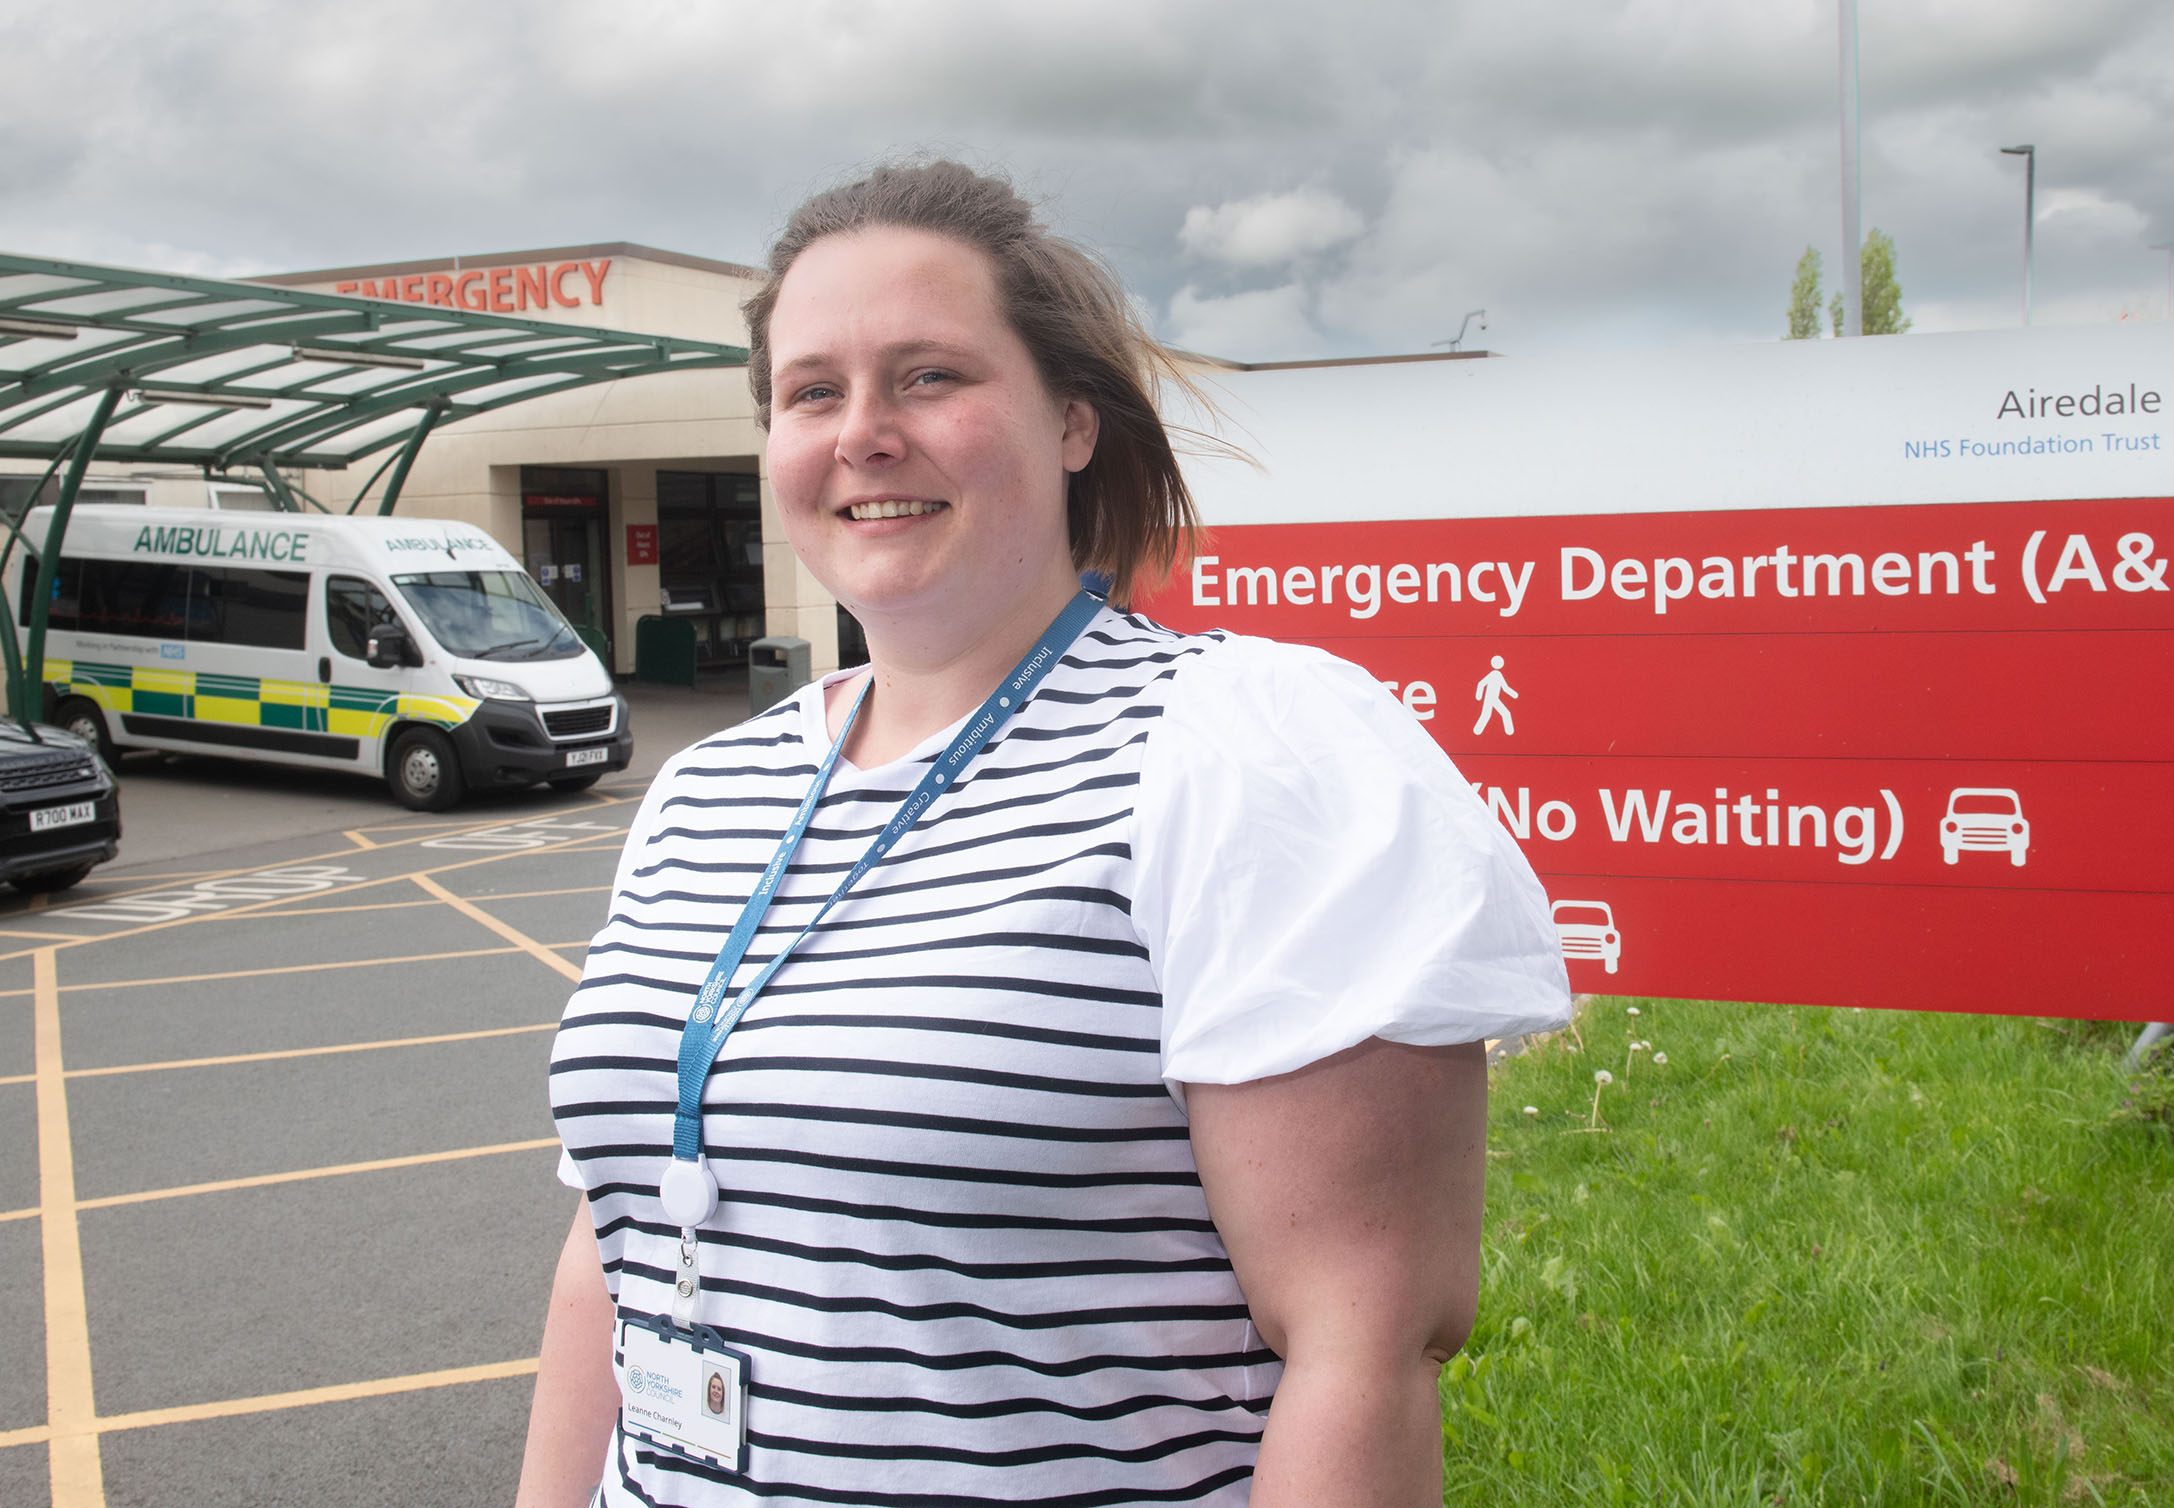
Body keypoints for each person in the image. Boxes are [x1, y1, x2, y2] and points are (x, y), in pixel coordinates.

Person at [517, 160, 1569, 1508]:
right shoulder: (703, 791)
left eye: (929, 376)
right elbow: (607, 1247)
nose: (863, 434)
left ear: (1073, 424)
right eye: (812, 391)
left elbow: (1361, 1344)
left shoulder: (1244, 752)